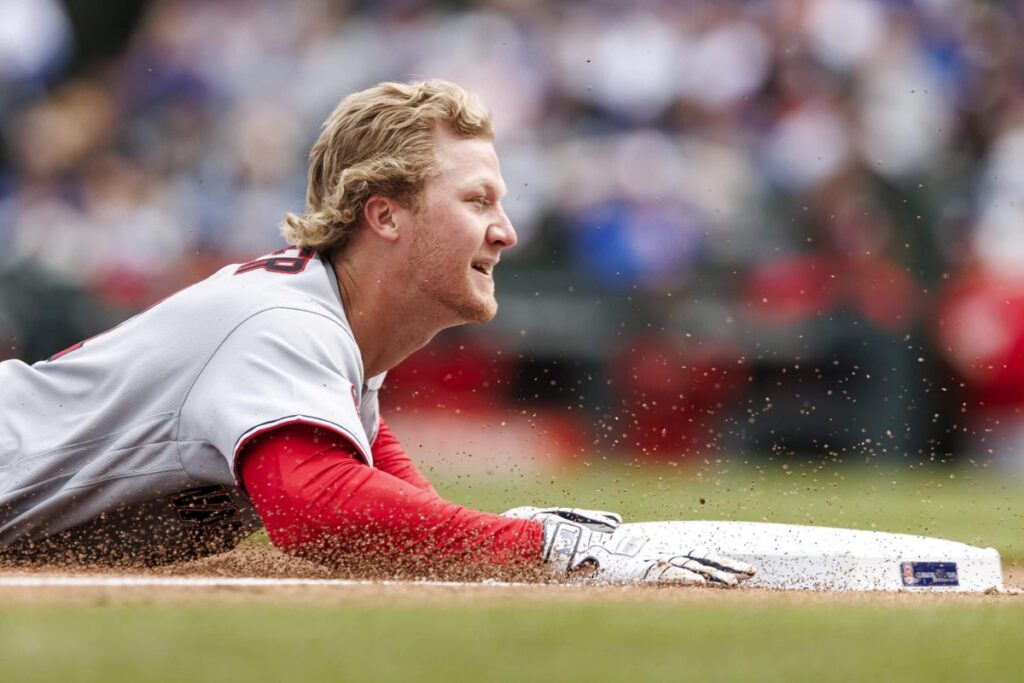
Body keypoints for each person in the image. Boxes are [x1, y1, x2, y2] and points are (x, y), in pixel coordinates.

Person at [0, 80, 753, 586]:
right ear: (385, 214)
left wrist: (511, 546)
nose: (508, 230)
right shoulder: (285, 323)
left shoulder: (329, 335)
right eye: (478, 198)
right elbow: (316, 506)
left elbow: (404, 520)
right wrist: (546, 548)